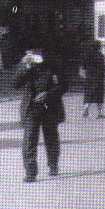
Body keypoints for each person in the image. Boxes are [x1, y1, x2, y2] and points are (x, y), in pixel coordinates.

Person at [13, 48, 66, 182]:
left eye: (38, 54)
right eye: (32, 54)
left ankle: (53, 164)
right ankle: (31, 172)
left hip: (50, 106)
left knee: (51, 137)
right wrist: (26, 66)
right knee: (29, 138)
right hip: (31, 107)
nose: (36, 57)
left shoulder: (53, 65)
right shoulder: (26, 65)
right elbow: (15, 84)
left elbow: (63, 86)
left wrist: (48, 94)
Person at [80, 47, 105, 119]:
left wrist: (84, 77)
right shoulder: (100, 56)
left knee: (88, 95)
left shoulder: (86, 56)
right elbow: (104, 68)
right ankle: (100, 113)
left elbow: (82, 68)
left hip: (88, 78)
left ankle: (86, 108)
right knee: (99, 97)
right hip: (99, 79)